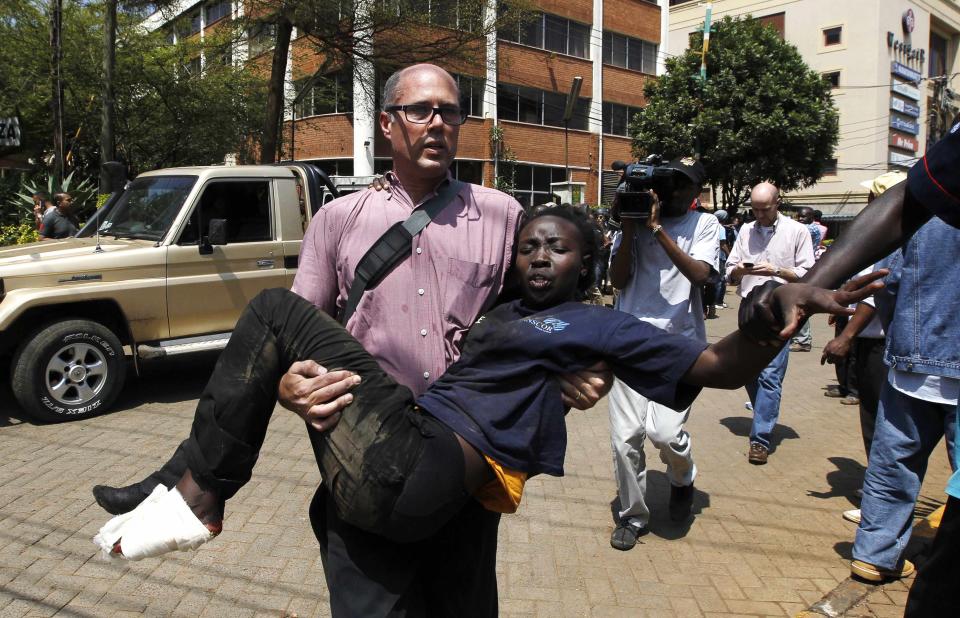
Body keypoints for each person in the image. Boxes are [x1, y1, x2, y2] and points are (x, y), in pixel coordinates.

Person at [92, 63, 610, 617]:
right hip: (363, 451)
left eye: (450, 111)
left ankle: (188, 487)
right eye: (420, 111)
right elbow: (295, 331)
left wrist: (583, 368)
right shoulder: (338, 219)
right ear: (387, 125)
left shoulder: (502, 215)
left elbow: (541, 310)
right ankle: (193, 489)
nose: (437, 123)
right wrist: (288, 384)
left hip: (463, 453)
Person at [94, 209, 880, 566]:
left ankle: (198, 491)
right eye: (531, 245)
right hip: (396, 467)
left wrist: (764, 315)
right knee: (278, 333)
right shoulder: (505, 314)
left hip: (425, 470)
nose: (540, 257)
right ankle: (187, 483)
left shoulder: (594, 325)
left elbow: (713, 368)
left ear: (586, 262)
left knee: (272, 309)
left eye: (560, 249)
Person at [735, 124, 960, 614]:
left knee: (892, 462)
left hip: (910, 356)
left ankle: (874, 556)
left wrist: (827, 315)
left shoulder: (919, 219)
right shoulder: (922, 205)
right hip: (922, 358)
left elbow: (886, 280)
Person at [605, 157, 720, 550]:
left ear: (696, 192)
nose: (672, 191)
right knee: (625, 439)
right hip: (629, 340)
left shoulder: (704, 224)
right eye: (667, 182)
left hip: (679, 344)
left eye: (681, 184)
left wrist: (656, 230)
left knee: (664, 433)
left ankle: (682, 477)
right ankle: (633, 516)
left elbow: (702, 275)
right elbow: (617, 281)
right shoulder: (633, 220)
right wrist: (630, 228)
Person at [725, 182, 815, 464]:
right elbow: (729, 271)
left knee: (770, 375)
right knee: (748, 370)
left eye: (765, 209)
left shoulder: (797, 231)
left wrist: (777, 270)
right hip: (749, 309)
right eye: (755, 209)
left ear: (778, 203)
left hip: (780, 310)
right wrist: (739, 271)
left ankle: (760, 439)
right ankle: (762, 413)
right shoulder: (745, 230)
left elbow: (808, 272)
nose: (760, 214)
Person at [789, 207, 823, 352]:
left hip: (805, 271)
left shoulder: (812, 229)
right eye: (799, 216)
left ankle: (803, 340)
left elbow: (794, 232)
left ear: (812, 217)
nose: (801, 219)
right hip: (796, 269)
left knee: (799, 304)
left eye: (804, 216)